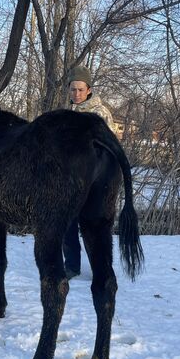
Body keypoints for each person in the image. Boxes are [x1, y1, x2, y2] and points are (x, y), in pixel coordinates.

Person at [63, 65, 115, 279]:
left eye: (80, 90)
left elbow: (110, 148)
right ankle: (72, 266)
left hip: (95, 181)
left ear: (89, 89)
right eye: (73, 89)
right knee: (68, 223)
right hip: (70, 179)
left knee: (93, 225)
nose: (76, 94)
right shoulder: (69, 112)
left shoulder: (99, 113)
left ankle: (100, 269)